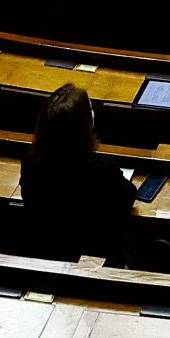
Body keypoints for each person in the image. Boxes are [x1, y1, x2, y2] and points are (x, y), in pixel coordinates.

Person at [18, 83, 139, 265]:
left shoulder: (30, 159)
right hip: (93, 259)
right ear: (83, 125)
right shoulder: (102, 167)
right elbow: (128, 195)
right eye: (90, 109)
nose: (93, 113)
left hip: (46, 251)